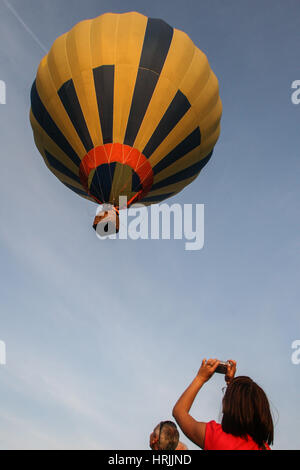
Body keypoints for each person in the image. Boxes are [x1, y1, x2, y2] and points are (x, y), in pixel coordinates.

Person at [172, 358, 274, 450]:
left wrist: (200, 378)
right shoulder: (264, 447)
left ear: (229, 405)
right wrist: (232, 385)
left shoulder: (216, 437)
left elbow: (179, 412)